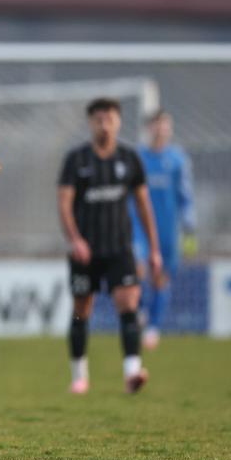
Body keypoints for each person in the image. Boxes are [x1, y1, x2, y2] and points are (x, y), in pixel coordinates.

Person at [57, 98, 162, 396]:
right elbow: (64, 204)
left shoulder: (129, 159)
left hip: (120, 248)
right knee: (81, 310)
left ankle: (132, 372)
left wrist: (154, 250)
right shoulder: (76, 160)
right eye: (99, 119)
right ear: (90, 123)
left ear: (118, 122)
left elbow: (144, 206)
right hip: (85, 252)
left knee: (128, 304)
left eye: (110, 119)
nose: (104, 124)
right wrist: (75, 239)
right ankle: (79, 376)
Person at [129, 110, 196, 349]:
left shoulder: (178, 160)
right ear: (149, 128)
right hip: (139, 226)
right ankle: (139, 313)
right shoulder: (138, 158)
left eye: (164, 125)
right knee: (137, 269)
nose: (160, 130)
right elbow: (128, 193)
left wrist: (189, 222)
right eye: (156, 125)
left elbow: (185, 196)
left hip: (167, 228)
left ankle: (153, 327)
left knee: (160, 277)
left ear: (170, 128)